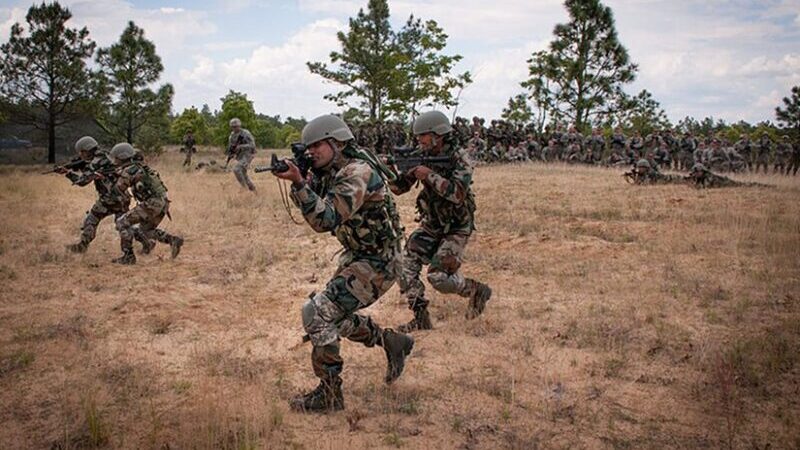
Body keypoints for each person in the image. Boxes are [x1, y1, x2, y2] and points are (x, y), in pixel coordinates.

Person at [271, 115, 414, 413]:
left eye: (317, 146)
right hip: (361, 256)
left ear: (336, 143)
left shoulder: (357, 172)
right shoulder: (333, 170)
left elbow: (325, 219)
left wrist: (299, 182)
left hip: (380, 261)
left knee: (317, 313)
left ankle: (330, 395)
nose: (312, 152)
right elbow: (315, 208)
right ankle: (391, 342)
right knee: (331, 317)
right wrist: (305, 179)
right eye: (308, 148)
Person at [389, 111, 492, 332]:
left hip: (456, 226)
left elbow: (458, 194)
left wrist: (429, 175)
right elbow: (399, 188)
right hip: (431, 224)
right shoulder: (420, 156)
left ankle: (475, 290)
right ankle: (421, 318)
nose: (419, 141)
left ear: (438, 135)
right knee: (402, 267)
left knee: (439, 277)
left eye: (423, 136)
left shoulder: (460, 158)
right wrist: (388, 171)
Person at [59, 136, 150, 254]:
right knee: (122, 225)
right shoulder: (104, 155)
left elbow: (82, 181)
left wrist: (67, 173)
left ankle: (83, 245)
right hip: (120, 197)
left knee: (92, 219)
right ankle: (145, 241)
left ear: (88, 149)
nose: (81, 155)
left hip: (110, 198)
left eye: (82, 152)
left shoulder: (96, 161)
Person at [108, 143, 184, 265]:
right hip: (162, 203)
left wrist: (111, 178)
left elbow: (118, 189)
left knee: (122, 222)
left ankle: (128, 256)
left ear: (122, 157)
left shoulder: (131, 170)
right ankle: (173, 240)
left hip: (152, 203)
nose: (114, 160)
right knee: (146, 231)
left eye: (116, 158)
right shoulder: (141, 168)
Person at [227, 118, 257, 191]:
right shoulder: (232, 136)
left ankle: (244, 188)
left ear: (239, 125)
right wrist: (231, 153)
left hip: (247, 155)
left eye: (236, 126)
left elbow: (252, 145)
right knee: (243, 173)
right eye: (233, 127)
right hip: (239, 156)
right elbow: (231, 147)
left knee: (236, 169)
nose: (235, 128)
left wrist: (241, 146)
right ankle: (253, 190)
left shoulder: (246, 133)